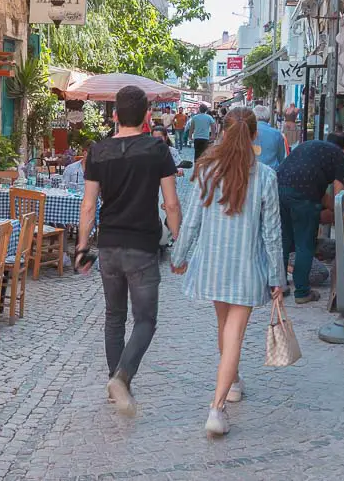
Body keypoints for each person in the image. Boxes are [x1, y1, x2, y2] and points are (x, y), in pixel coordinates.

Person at [170, 107, 284, 436]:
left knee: (224, 328)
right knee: (233, 334)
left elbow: (191, 221)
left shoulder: (207, 171)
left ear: (222, 131)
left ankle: (231, 381)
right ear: (253, 136)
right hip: (247, 267)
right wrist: (277, 277)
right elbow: (272, 234)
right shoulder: (265, 176)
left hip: (213, 265)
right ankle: (216, 409)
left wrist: (179, 256)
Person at [77, 85, 181, 416]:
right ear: (147, 116)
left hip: (108, 245)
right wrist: (178, 241)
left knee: (114, 316)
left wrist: (82, 246)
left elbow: (89, 205)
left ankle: (115, 384)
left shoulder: (98, 152)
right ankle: (122, 377)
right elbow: (172, 203)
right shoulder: (157, 150)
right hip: (142, 245)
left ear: (116, 115)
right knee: (146, 320)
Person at [277, 132, 344, 304]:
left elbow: (323, 195)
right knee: (305, 242)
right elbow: (340, 197)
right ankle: (302, 292)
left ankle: (279, 285)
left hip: (279, 187)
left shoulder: (312, 146)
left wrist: (328, 207)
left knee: (285, 239)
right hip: (303, 195)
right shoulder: (340, 158)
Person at [252, 105, 286, 170]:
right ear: (268, 118)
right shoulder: (277, 134)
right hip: (272, 173)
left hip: (252, 173)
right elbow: (281, 158)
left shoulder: (248, 132)